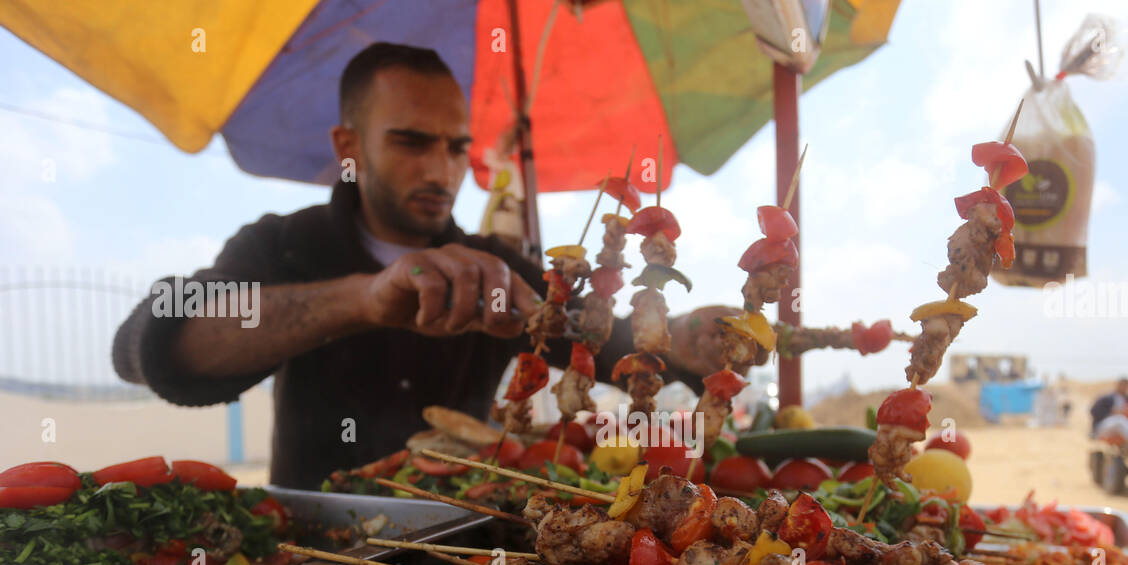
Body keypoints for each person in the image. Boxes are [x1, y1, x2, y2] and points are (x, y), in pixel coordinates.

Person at [113, 43, 737, 488]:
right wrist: (360, 299)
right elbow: (145, 346)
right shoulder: (284, 246)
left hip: (464, 558)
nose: (442, 172)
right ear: (349, 146)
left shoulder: (498, 267)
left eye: (457, 147)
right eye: (411, 142)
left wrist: (688, 338)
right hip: (312, 558)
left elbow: (612, 348)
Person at [1088, 368, 1128, 434]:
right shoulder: (1107, 398)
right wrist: (1112, 413)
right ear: (1118, 385)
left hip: (1120, 426)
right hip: (1103, 425)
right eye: (1123, 385)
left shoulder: (1126, 398)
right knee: (1120, 421)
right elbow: (1093, 411)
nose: (1125, 388)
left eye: (1127, 386)